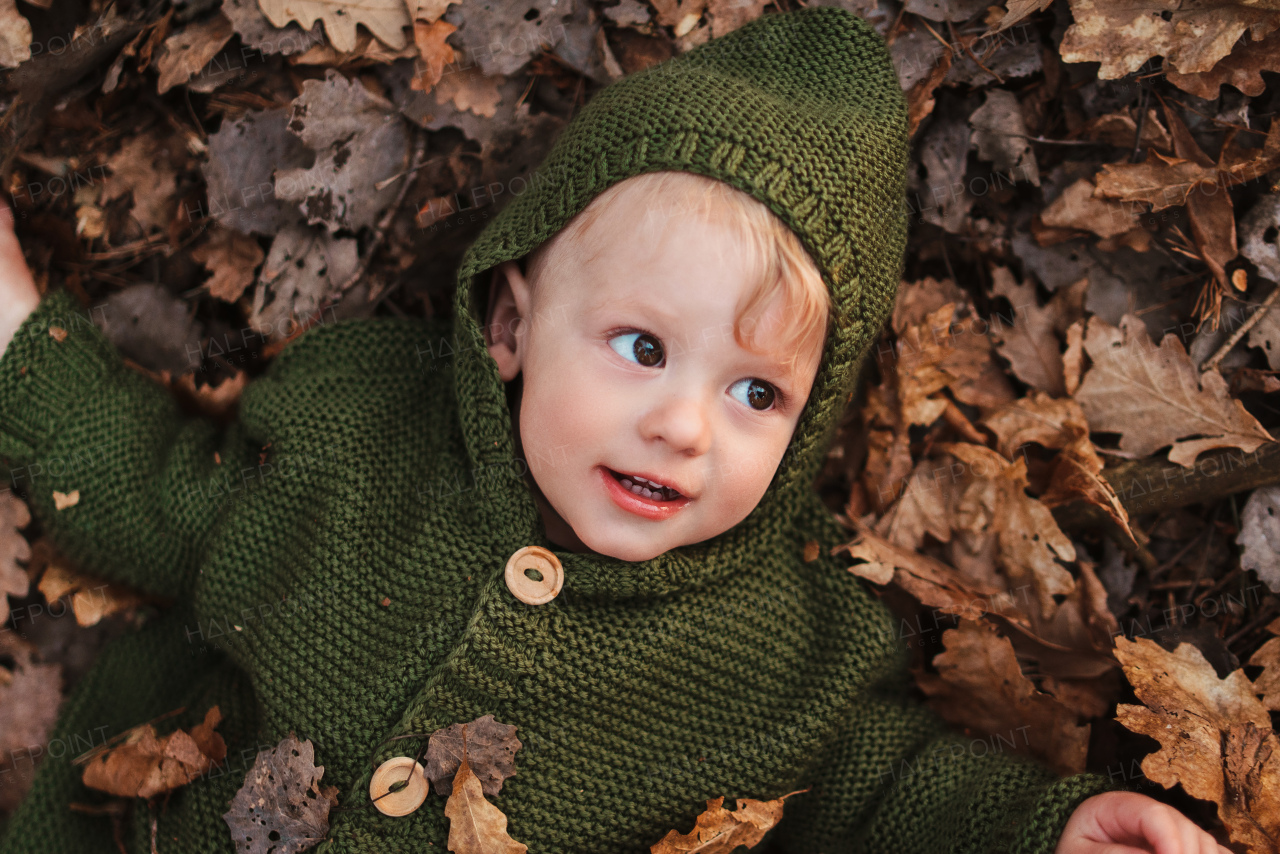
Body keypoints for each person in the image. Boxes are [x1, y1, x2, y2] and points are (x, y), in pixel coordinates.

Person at [0, 7, 1229, 853]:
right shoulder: (356, 442)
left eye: (757, 394)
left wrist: (1038, 829)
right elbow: (155, 492)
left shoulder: (778, 649)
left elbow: (875, 788)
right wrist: (16, 335)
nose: (683, 425)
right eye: (641, 348)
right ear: (509, 323)